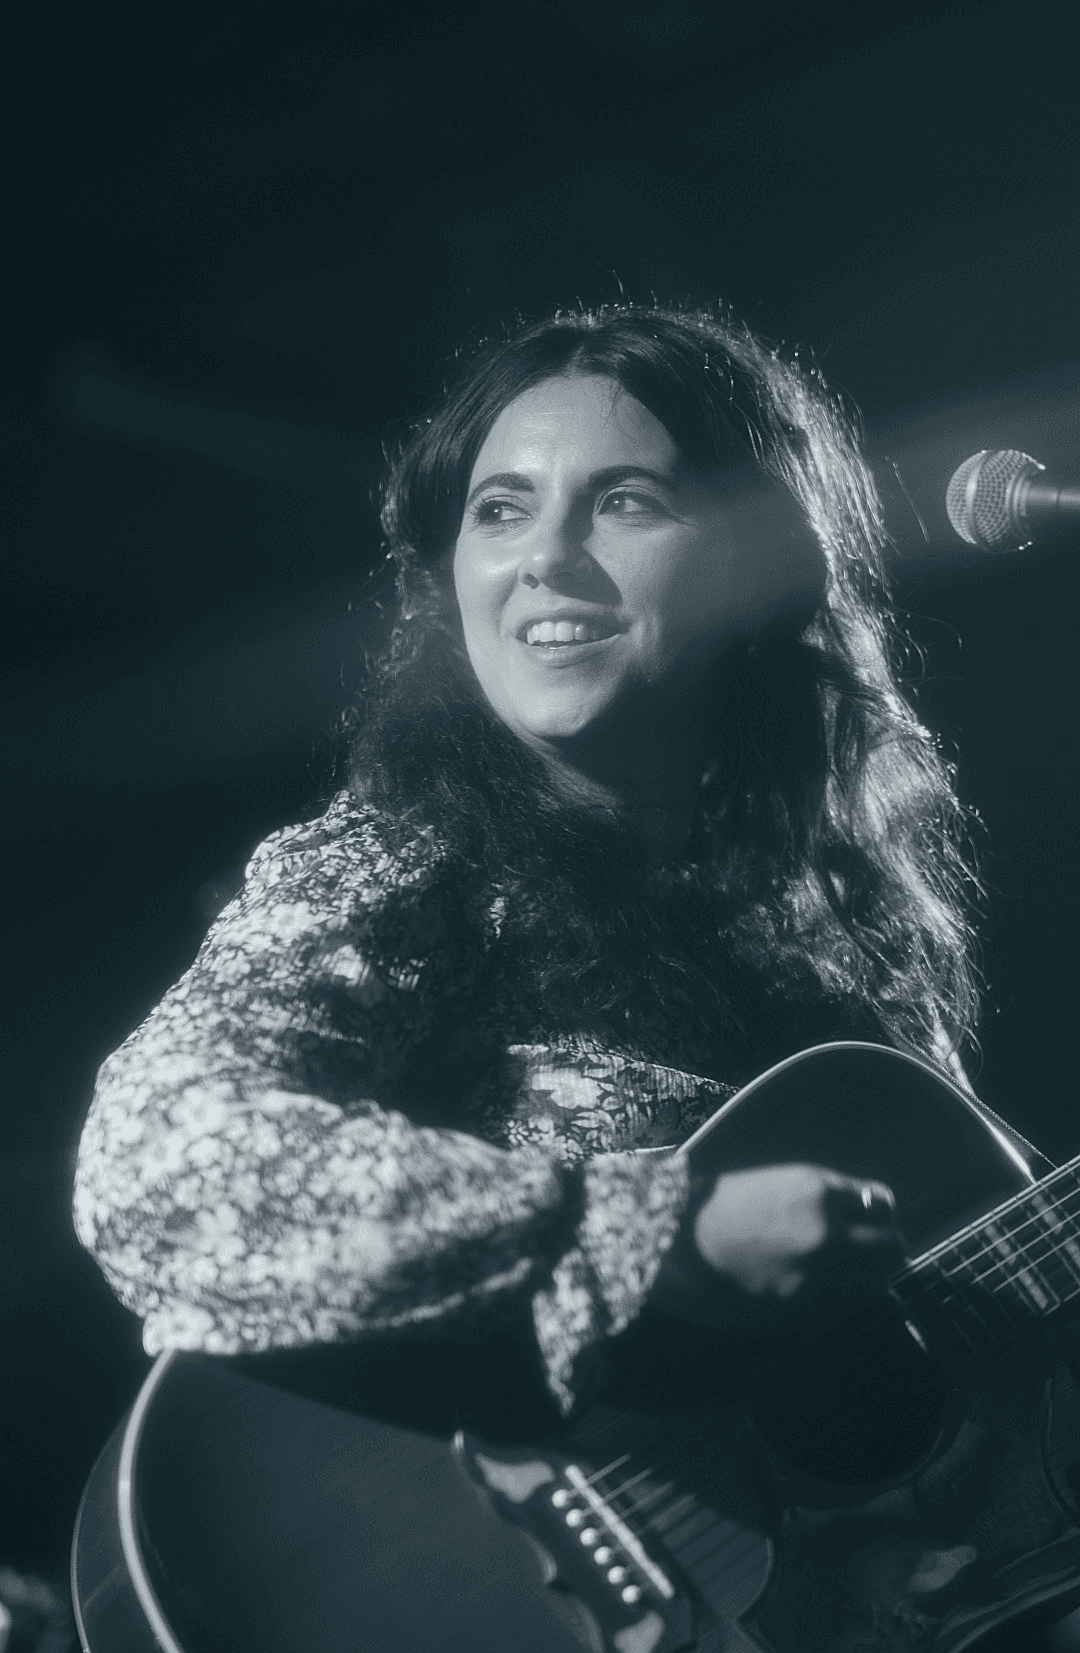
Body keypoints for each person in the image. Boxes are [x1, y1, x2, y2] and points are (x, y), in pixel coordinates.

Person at [73, 303, 988, 1423]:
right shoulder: (404, 864)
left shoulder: (844, 939)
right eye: (500, 511)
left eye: (623, 502)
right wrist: (650, 1239)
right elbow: (160, 1163)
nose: (546, 559)